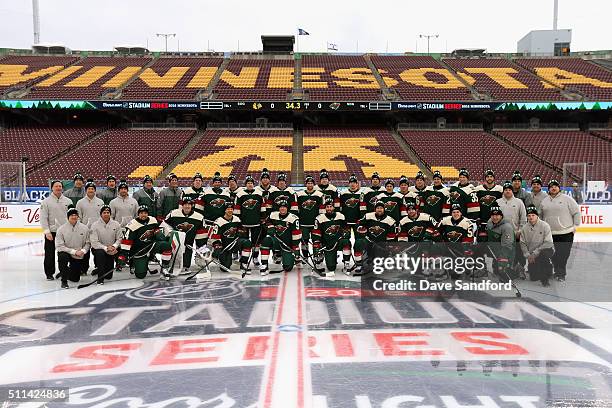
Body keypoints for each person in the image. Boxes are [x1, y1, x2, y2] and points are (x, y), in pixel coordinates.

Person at [118, 205, 174, 280]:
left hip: (151, 245)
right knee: (140, 275)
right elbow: (126, 242)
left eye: (145, 213)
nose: (143, 215)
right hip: (138, 250)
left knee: (166, 245)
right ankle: (134, 264)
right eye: (141, 213)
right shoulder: (132, 225)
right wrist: (123, 255)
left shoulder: (152, 220)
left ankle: (164, 268)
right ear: (138, 214)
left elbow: (157, 229)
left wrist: (159, 234)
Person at [540, 179, 581, 282]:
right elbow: (540, 215)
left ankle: (561, 273)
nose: (554, 188)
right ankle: (557, 271)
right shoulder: (544, 201)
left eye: (556, 186)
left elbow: (576, 212)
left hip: (566, 232)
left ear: (559, 188)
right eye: (551, 186)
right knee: (553, 254)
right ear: (548, 189)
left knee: (564, 254)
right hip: (550, 233)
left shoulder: (567, 199)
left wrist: (576, 226)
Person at [163, 198, 207, 272]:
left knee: (186, 261)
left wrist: (200, 245)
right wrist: (170, 234)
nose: (187, 206)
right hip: (176, 241)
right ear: (182, 206)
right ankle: (170, 265)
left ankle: (185, 266)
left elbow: (202, 231)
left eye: (189, 205)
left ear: (192, 206)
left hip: (189, 241)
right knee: (174, 256)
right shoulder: (174, 213)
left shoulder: (199, 217)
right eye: (185, 204)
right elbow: (165, 224)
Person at [40, 180, 73, 280]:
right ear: (52, 188)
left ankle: (64, 271)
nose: (58, 188)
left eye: (60, 186)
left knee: (64, 253)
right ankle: (49, 273)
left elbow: (72, 216)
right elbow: (43, 217)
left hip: (65, 232)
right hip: (52, 232)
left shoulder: (68, 201)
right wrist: (47, 231)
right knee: (50, 254)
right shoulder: (46, 202)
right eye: (56, 186)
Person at [354, 201, 397, 275]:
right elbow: (358, 224)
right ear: (375, 209)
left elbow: (392, 236)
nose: (379, 210)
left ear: (384, 209)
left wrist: (388, 248)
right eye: (377, 208)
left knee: (377, 265)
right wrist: (360, 228)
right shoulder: (368, 216)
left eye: (381, 208)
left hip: (381, 244)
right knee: (358, 242)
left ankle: (380, 262)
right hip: (369, 241)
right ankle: (359, 265)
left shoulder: (390, 221)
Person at [312, 198, 352, 277]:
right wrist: (317, 242)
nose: (329, 208)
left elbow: (347, 228)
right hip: (327, 244)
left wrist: (346, 234)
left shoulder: (340, 216)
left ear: (334, 207)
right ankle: (321, 260)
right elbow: (316, 232)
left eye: (331, 206)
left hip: (338, 241)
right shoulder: (319, 218)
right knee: (331, 268)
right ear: (325, 208)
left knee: (346, 242)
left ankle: (346, 264)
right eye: (327, 207)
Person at [259, 200, 301, 275]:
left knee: (287, 267)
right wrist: (270, 227)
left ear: (287, 208)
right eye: (281, 207)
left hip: (287, 244)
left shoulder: (293, 218)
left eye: (284, 207)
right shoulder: (273, 215)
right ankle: (264, 265)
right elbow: (266, 222)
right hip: (276, 240)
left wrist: (295, 247)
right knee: (266, 241)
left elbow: (297, 234)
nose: (282, 209)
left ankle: (290, 257)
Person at [210, 202, 251, 274]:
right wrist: (217, 246)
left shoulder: (237, 219)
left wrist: (241, 232)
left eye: (231, 209)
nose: (230, 210)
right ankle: (222, 258)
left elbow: (243, 230)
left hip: (235, 243)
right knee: (225, 268)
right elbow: (214, 236)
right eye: (228, 209)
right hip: (224, 246)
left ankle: (244, 263)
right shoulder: (219, 221)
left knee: (247, 242)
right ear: (225, 210)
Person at [497, 181, 527, 276]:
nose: (508, 191)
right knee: (503, 253)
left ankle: (520, 269)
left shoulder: (519, 202)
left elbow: (523, 218)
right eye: (506, 190)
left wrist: (520, 230)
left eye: (509, 189)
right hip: (502, 234)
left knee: (518, 253)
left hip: (516, 233)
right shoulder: (498, 202)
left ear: (512, 191)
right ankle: (503, 270)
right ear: (503, 191)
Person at [234, 175, 266, 267]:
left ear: (254, 184)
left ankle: (255, 257)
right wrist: (238, 221)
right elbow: (237, 209)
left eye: (251, 183)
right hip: (244, 223)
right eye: (248, 183)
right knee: (244, 242)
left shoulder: (259, 194)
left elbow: (262, 208)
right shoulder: (240, 195)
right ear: (245, 184)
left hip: (256, 223)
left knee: (256, 242)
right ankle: (243, 258)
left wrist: (263, 218)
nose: (250, 185)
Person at [55, 208, 90, 289]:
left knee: (75, 279)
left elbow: (88, 243)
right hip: (66, 252)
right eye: (72, 215)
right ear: (68, 217)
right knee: (62, 256)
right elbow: (59, 246)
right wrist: (73, 252)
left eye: (75, 215)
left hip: (78, 254)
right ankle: (64, 281)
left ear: (78, 217)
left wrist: (83, 251)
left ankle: (65, 272)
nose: (74, 217)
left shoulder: (85, 228)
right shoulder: (61, 229)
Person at [520, 205, 554, 287]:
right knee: (534, 277)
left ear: (537, 216)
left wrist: (536, 252)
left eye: (533, 215)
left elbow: (548, 242)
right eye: (529, 215)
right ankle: (547, 268)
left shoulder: (545, 225)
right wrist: (528, 255)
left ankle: (545, 279)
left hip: (545, 250)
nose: (531, 217)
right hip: (532, 254)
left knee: (543, 256)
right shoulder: (524, 228)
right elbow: (522, 243)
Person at [90, 205, 122, 284]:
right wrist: (105, 248)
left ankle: (100, 269)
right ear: (101, 214)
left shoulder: (116, 224)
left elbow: (119, 238)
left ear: (110, 214)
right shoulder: (94, 225)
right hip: (99, 249)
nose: (106, 214)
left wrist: (114, 246)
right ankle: (100, 278)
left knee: (108, 276)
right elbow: (94, 242)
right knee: (100, 254)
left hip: (112, 249)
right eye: (104, 212)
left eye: (108, 212)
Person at [296, 176, 325, 263]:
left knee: (316, 241)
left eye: (311, 183)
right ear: (306, 184)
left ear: (314, 184)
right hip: (303, 223)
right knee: (304, 241)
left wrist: (320, 221)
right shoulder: (300, 195)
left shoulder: (319, 195)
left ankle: (316, 256)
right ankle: (305, 257)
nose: (310, 184)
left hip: (315, 223)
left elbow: (322, 210)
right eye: (308, 183)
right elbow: (296, 208)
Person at [486, 204, 516, 282]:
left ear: (501, 216)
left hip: (507, 252)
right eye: (493, 215)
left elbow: (507, 245)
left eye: (497, 215)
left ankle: (513, 269)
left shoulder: (507, 227)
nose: (495, 217)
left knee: (503, 275)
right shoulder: (489, 223)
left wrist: (503, 260)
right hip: (494, 250)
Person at [473, 169, 503, 242]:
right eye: (488, 176)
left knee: (495, 241)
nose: (489, 178)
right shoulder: (478, 189)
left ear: (494, 178)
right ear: (485, 178)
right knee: (482, 242)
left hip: (495, 221)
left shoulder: (500, 189)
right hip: (482, 221)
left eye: (491, 176)